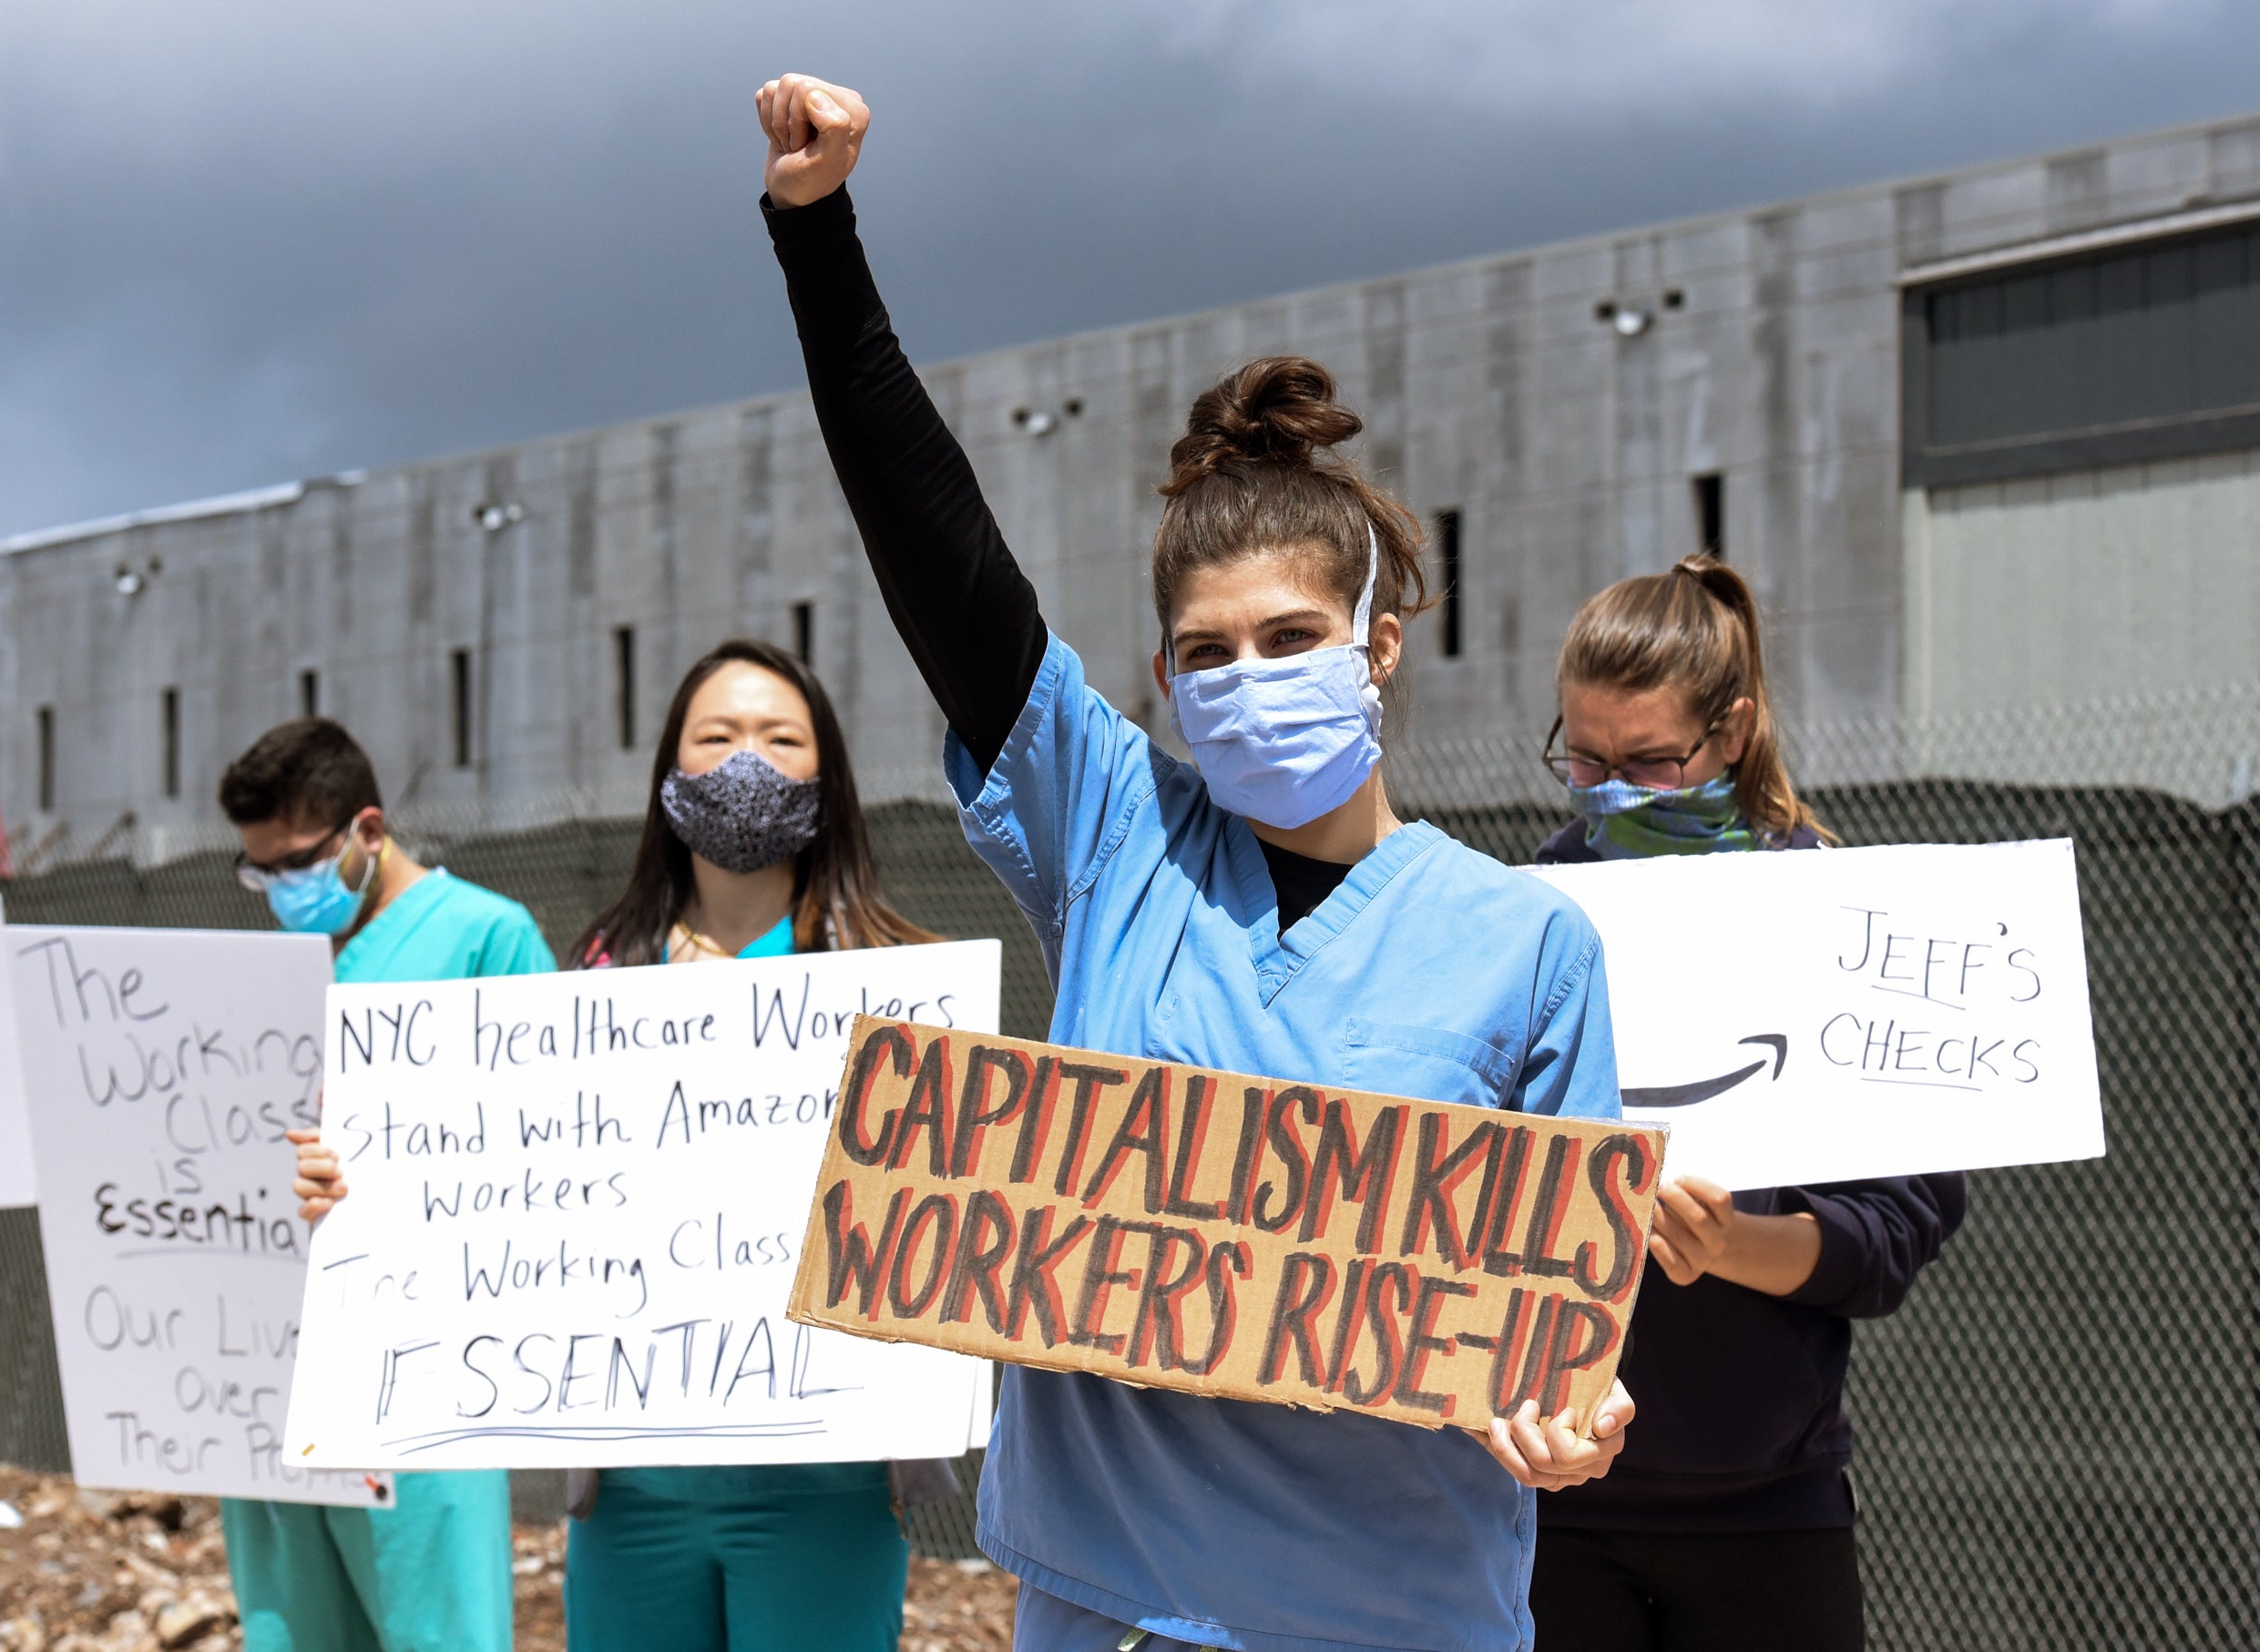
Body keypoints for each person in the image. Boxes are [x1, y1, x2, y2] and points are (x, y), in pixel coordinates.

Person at [753, 71, 1631, 1652]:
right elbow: (938, 550)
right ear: (1159, 681)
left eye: (1289, 637)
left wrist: (1572, 1404)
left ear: (1378, 643)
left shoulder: (1527, 943)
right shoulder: (1116, 835)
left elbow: (1560, 1318)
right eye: (1203, 651)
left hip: (1402, 1609)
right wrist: (819, 237)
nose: (1245, 675)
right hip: (1114, 1608)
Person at [292, 642, 934, 1652]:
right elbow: (494, 1193)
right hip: (632, 1490)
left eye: (781, 737)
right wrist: (356, 1190)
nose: (746, 762)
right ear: (671, 773)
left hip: (827, 1482)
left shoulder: (898, 980)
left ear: (829, 772)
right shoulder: (592, 981)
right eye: (716, 737)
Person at [1528, 557, 1969, 1652]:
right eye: (1582, 757)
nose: (1608, 791)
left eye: (1648, 761)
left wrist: (1728, 1242)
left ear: (1731, 731)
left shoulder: (1841, 918)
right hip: (1552, 1506)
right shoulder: (1532, 908)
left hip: (1770, 1512)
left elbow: (1891, 1239)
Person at [220, 717, 554, 1652]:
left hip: (422, 1380)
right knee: (291, 1627)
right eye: (260, 872)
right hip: (268, 1375)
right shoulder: (266, 976)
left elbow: (549, 1162)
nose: (281, 891)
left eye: (295, 864)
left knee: (434, 1626)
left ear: (369, 830)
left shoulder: (487, 936)